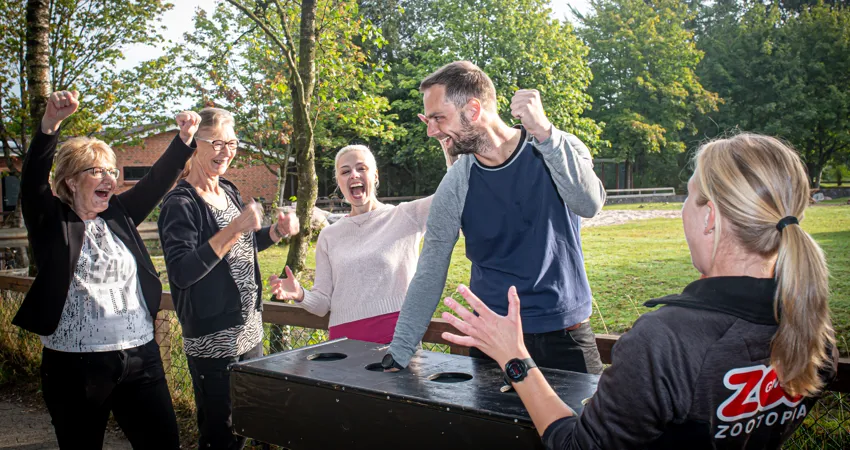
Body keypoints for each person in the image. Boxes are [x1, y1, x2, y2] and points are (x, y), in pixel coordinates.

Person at [439, 133, 839, 449]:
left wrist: (515, 358)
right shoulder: (812, 331)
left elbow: (577, 445)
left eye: (689, 195)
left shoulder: (665, 342)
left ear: (710, 217)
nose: (683, 209)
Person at [382, 61, 606, 373]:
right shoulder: (457, 182)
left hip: (565, 335)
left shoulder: (556, 146)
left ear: (473, 110)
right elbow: (431, 267)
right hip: (492, 341)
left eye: (438, 118)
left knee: (588, 410)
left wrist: (545, 133)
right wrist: (401, 349)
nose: (431, 131)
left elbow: (590, 204)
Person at [12, 90, 196, 449]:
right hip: (75, 365)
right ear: (70, 180)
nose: (109, 178)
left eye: (112, 171)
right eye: (96, 171)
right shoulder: (52, 220)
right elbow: (33, 183)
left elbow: (156, 181)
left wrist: (184, 139)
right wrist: (50, 125)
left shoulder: (118, 214)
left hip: (140, 355)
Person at [157, 107, 298, 450]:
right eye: (217, 143)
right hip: (213, 341)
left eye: (232, 143)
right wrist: (234, 229)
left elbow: (242, 246)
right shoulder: (180, 203)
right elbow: (182, 272)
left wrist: (275, 232)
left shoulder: (228, 190)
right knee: (222, 436)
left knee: (252, 422)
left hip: (249, 330)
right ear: (195, 144)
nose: (227, 151)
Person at [268, 144, 453, 344]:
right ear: (338, 182)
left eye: (361, 168)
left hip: (397, 336)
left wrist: (449, 144)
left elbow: (453, 192)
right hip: (342, 340)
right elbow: (322, 305)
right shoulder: (329, 235)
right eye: (345, 171)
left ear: (375, 175)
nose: (354, 175)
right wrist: (299, 294)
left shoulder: (406, 216)